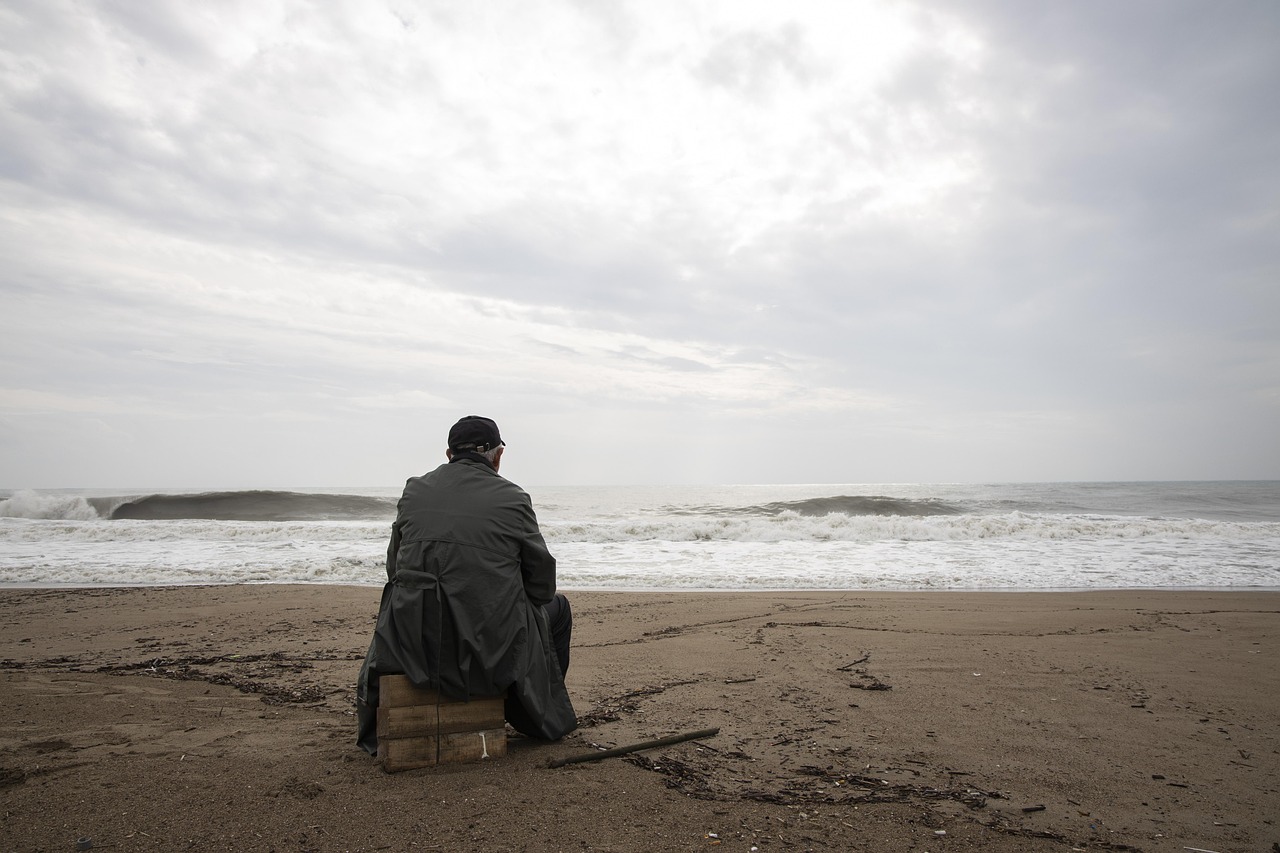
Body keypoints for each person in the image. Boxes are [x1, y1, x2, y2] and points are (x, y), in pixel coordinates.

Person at [356, 415, 577, 755]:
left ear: (448, 454)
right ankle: (533, 714)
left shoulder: (414, 490)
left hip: (412, 644)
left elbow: (394, 569)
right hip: (487, 649)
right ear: (498, 456)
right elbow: (542, 585)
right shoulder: (513, 498)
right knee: (557, 609)